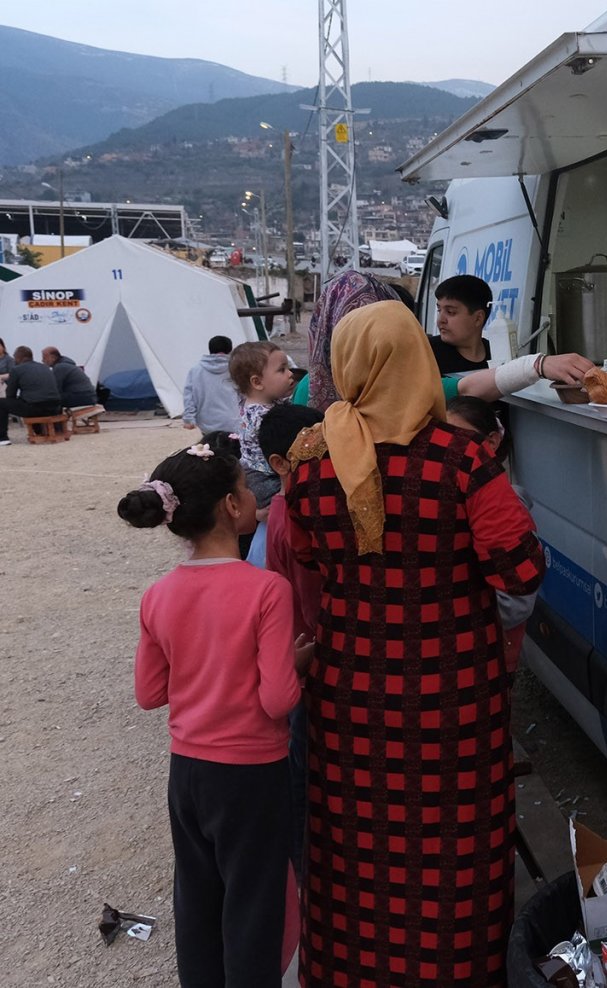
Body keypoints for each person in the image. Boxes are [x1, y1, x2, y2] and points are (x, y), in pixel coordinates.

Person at [287, 300, 545, 986]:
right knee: (449, 857)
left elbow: (309, 560)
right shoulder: (463, 463)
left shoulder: (311, 466)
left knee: (353, 857)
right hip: (451, 707)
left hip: (347, 705)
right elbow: (521, 572)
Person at [117, 432, 308, 988]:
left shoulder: (159, 594)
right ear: (231, 504)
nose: (253, 497)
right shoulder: (267, 590)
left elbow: (150, 693)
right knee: (255, 900)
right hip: (252, 772)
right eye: (247, 488)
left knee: (197, 894)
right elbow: (277, 700)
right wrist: (300, 665)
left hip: (188, 772)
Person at [307, 270, 594, 413]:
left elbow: (464, 386)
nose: (441, 319)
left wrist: (538, 365)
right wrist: (536, 365)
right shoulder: (416, 369)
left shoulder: (405, 377)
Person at [258, 402, 326, 881]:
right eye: (314, 447)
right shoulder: (297, 510)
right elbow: (311, 595)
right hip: (313, 655)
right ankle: (306, 876)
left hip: (304, 650)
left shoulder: (288, 507)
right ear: (282, 463)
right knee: (306, 774)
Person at [446, 394, 535, 677]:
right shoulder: (452, 493)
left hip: (487, 653)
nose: (450, 450)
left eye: (461, 440)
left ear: (492, 442)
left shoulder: (506, 507)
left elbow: (516, 600)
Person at [228, 341, 296, 510]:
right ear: (257, 382)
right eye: (282, 370)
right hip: (264, 478)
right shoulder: (263, 417)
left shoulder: (255, 402)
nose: (290, 374)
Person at [0, 345, 62, 446]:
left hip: (35, 408)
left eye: (15, 357)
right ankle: (41, 431)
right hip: (55, 407)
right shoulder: (45, 367)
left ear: (19, 358)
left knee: (2, 403)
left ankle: (2, 438)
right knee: (32, 401)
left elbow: (10, 394)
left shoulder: (16, 370)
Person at [182, 335, 240, 433]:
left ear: (210, 349)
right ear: (230, 350)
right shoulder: (236, 369)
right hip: (234, 423)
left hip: (207, 425)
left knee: (210, 447)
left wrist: (189, 419)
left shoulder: (196, 370)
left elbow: (189, 397)